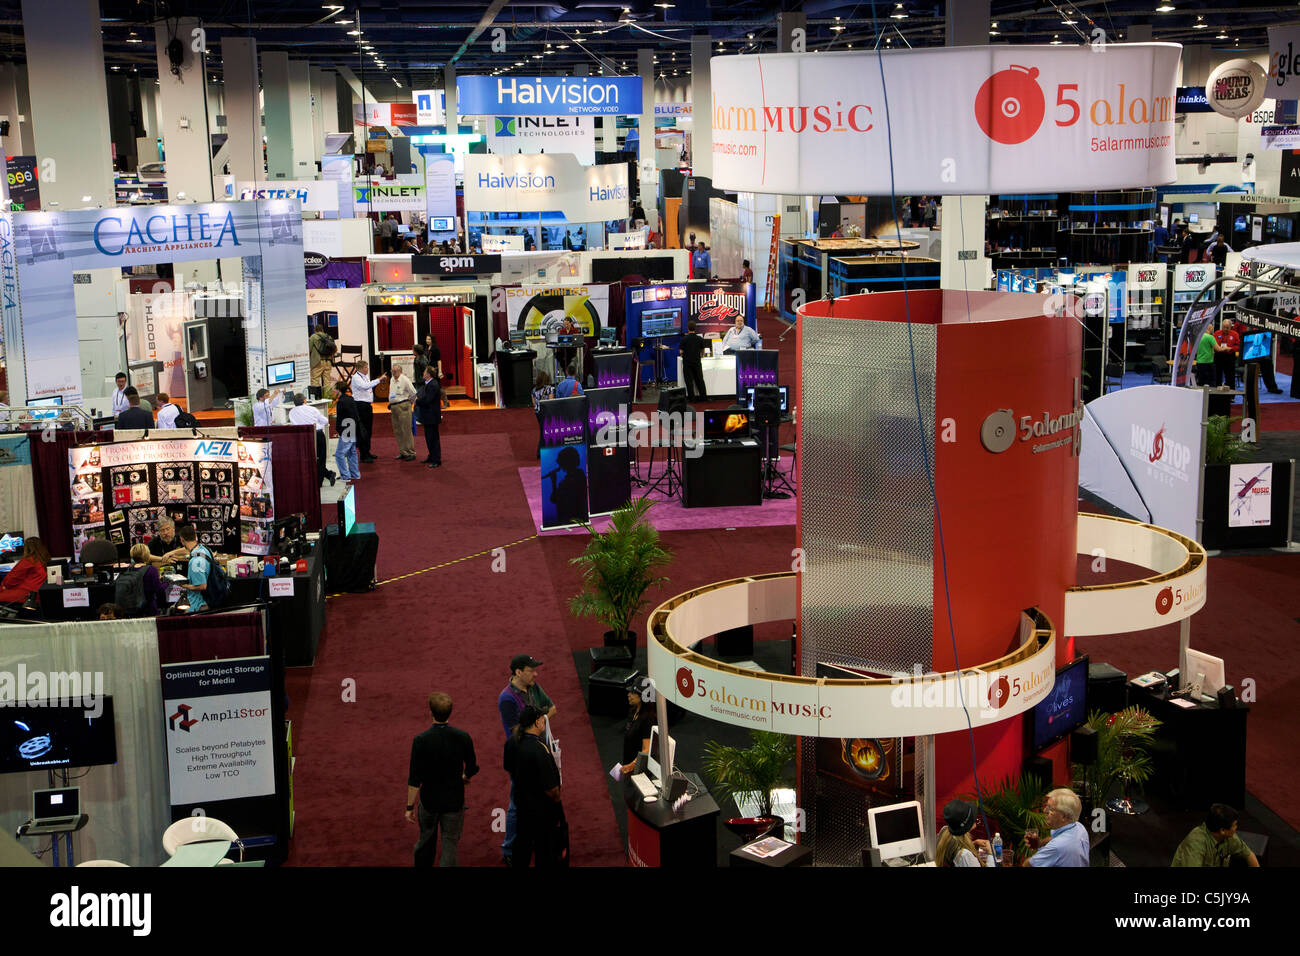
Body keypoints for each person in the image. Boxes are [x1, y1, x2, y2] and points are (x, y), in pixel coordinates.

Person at [406, 691, 479, 867]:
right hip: (454, 802)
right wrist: (465, 777)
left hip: (429, 801)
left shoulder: (420, 741)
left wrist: (409, 807)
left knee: (425, 841)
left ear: (431, 713)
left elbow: (414, 779)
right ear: (450, 712)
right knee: (450, 844)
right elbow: (472, 766)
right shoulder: (463, 737)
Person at [498, 654, 556, 864]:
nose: (536, 673)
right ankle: (509, 849)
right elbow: (515, 732)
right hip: (522, 757)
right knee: (516, 803)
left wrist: (537, 723)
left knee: (533, 800)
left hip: (536, 748)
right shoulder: (507, 698)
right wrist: (539, 723)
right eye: (531, 670)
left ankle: (526, 840)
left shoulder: (533, 688)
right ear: (518, 672)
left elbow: (552, 708)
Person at [504, 704, 564, 867]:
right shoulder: (539, 750)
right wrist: (557, 801)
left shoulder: (512, 742)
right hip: (541, 810)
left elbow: (508, 767)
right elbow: (551, 789)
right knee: (544, 849)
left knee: (522, 843)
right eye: (542, 719)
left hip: (522, 804)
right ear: (537, 722)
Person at [1171, 803, 1260, 867]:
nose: (1236, 828)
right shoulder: (1195, 844)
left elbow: (1249, 855)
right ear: (1222, 830)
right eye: (1234, 825)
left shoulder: (1229, 838)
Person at [1024, 788, 1090, 867]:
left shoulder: (1057, 847)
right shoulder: (1079, 827)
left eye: (1050, 809)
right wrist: (1040, 843)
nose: (1045, 811)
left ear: (1064, 816)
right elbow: (1058, 837)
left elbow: (1028, 865)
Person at [288, 392, 335, 485]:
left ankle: (328, 475)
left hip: (302, 438)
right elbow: (325, 420)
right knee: (320, 458)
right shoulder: (312, 409)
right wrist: (320, 424)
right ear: (304, 400)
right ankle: (320, 481)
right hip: (317, 435)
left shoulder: (291, 412)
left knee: (309, 458)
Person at [936, 799, 992, 867]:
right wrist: (990, 853)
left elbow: (953, 848)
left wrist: (973, 844)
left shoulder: (944, 831)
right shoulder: (965, 856)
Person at [116, 543, 168, 616]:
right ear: (147, 555)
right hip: (148, 609)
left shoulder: (129, 570)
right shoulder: (151, 569)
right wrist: (167, 582)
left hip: (132, 610)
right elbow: (159, 590)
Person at [350, 361, 386, 463]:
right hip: (360, 406)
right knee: (363, 431)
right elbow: (365, 386)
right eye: (366, 367)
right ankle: (363, 454)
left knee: (368, 430)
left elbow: (368, 385)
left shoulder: (364, 376)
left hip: (367, 406)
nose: (367, 369)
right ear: (361, 368)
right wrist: (379, 380)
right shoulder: (356, 378)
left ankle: (367, 451)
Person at [618, 679, 655, 775]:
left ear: (642, 696)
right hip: (627, 763)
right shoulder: (632, 711)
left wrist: (632, 765)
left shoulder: (648, 719)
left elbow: (646, 750)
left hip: (638, 770)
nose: (628, 694)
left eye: (633, 693)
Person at [0, 536, 51, 604]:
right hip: (40, 593)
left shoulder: (29, 560)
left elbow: (11, 580)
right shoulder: (46, 559)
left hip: (28, 594)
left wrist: (4, 586)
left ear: (26, 548)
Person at [177, 525, 214, 613]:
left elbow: (202, 586)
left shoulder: (195, 562)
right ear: (195, 536)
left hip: (197, 606)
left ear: (182, 540)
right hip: (206, 601)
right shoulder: (205, 550)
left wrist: (183, 585)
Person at [548, 445, 588, 526]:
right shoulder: (580, 474)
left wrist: (553, 481)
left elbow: (554, 499)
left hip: (570, 520)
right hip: (576, 518)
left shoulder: (570, 480)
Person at [333, 381, 363, 485]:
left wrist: (339, 430)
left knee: (339, 454)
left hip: (347, 428)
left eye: (334, 388)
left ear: (338, 390)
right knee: (352, 452)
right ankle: (355, 473)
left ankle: (345, 475)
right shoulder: (350, 399)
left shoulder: (341, 402)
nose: (333, 390)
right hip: (353, 427)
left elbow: (340, 418)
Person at [387, 365, 417, 462]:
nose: (393, 373)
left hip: (403, 406)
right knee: (398, 431)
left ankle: (411, 452)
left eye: (395, 371)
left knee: (406, 430)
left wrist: (408, 404)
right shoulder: (392, 379)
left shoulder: (405, 380)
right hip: (394, 407)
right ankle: (403, 451)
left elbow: (413, 393)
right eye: (392, 371)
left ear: (400, 371)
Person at [415, 366, 442, 468]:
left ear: (429, 374)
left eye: (424, 372)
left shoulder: (433, 385)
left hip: (432, 417)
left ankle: (436, 459)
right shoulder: (428, 384)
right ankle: (431, 456)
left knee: (433, 438)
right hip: (428, 416)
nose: (423, 373)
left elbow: (427, 400)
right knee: (429, 437)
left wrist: (416, 401)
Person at [679, 319, 708, 401]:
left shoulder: (684, 339)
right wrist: (701, 356)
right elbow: (703, 350)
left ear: (688, 328)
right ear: (695, 328)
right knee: (700, 380)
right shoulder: (699, 338)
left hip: (687, 363)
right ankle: (703, 397)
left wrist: (683, 355)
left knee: (689, 381)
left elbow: (681, 351)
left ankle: (692, 398)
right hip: (697, 362)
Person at [1213, 316, 1241, 389]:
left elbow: (1238, 346)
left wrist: (1231, 348)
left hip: (1229, 357)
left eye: (1227, 327)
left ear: (1230, 327)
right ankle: (1216, 393)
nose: (1225, 329)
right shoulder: (1216, 333)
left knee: (1230, 376)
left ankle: (1231, 395)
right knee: (1217, 375)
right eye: (1224, 327)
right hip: (1218, 356)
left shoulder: (1235, 334)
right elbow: (1212, 345)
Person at [309, 322, 337, 391]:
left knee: (315, 380)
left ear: (315, 330)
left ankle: (317, 399)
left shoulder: (313, 337)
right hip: (328, 361)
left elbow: (309, 349)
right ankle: (328, 400)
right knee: (327, 381)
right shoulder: (329, 337)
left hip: (317, 361)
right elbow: (335, 349)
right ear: (322, 330)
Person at [426, 335, 450, 409]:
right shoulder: (427, 348)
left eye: (429, 339)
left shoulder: (436, 349)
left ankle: (445, 402)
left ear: (432, 340)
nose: (427, 340)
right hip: (429, 370)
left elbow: (439, 360)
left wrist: (440, 371)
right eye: (426, 339)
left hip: (435, 370)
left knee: (438, 387)